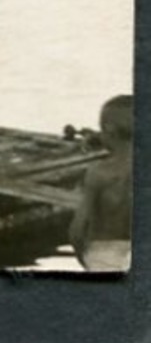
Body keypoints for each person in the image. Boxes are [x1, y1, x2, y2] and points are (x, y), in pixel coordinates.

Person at [69, 95, 132, 272]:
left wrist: (84, 259)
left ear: (109, 131)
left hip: (104, 256)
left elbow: (77, 229)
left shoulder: (99, 172)